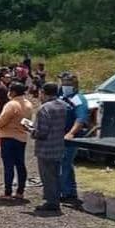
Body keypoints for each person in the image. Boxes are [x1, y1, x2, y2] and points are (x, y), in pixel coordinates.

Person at [31, 82, 68, 213]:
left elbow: (42, 132)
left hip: (45, 148)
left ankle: (52, 202)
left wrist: (31, 131)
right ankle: (55, 199)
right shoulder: (64, 106)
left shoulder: (44, 109)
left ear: (43, 92)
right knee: (56, 175)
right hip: (59, 145)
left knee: (47, 176)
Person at [0, 82, 34, 200]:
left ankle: (7, 192)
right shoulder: (28, 104)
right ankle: (20, 191)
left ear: (13, 92)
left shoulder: (11, 104)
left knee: (8, 165)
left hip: (8, 136)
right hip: (21, 137)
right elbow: (28, 122)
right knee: (20, 164)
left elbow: (2, 120)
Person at [58, 72, 89, 206]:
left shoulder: (78, 99)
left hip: (71, 137)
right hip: (59, 135)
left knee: (64, 163)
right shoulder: (62, 96)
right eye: (63, 83)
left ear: (75, 85)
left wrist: (71, 133)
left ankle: (62, 192)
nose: (65, 86)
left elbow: (80, 119)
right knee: (66, 164)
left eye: (68, 84)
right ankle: (70, 190)